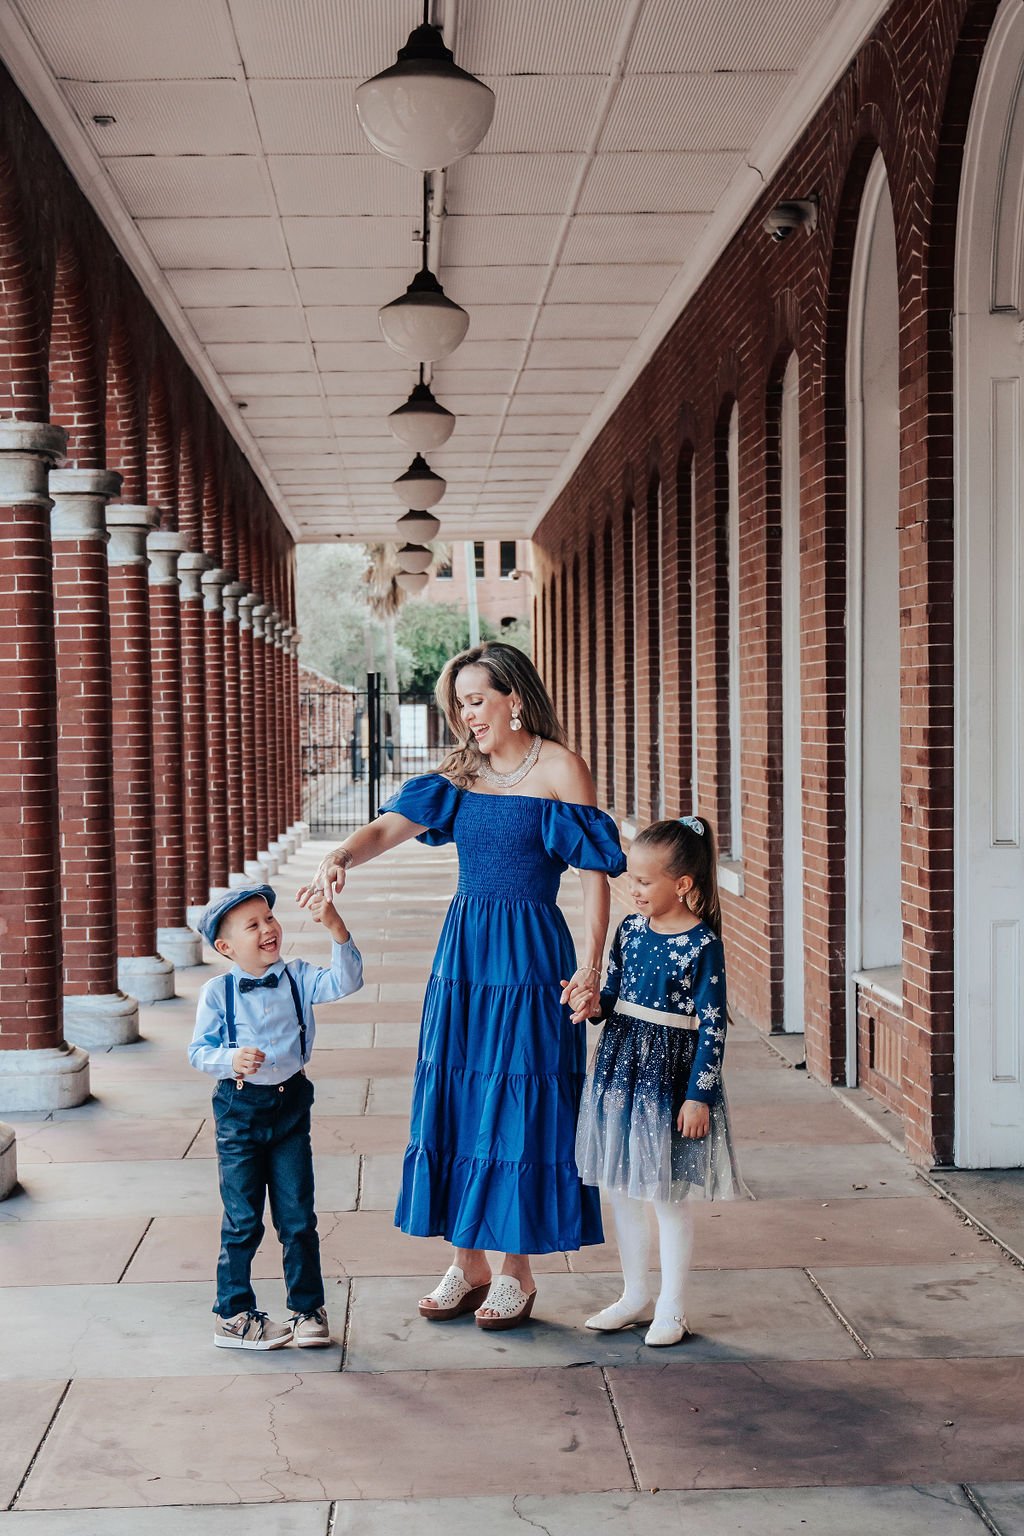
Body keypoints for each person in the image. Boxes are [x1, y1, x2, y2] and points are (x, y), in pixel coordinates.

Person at [301, 641, 625, 1330]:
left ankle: (517, 1270)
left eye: (476, 701)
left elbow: (596, 882)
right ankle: (467, 1259)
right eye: (459, 705)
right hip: (465, 958)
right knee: (460, 1094)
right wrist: (341, 856)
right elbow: (391, 825)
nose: (466, 716)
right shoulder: (459, 773)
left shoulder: (563, 768)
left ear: (513, 696)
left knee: (525, 1099)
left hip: (534, 955)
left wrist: (592, 969)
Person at [571, 816, 743, 1347]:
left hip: (669, 1078)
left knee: (665, 1193)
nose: (633, 888)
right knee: (623, 1189)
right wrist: (591, 1003)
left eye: (644, 881)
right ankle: (633, 1294)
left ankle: (672, 1306)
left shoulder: (702, 944)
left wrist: (699, 1095)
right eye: (632, 879)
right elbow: (614, 998)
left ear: (682, 885)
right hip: (621, 1066)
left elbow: (713, 1025)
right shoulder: (628, 930)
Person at [188, 884, 363, 1350]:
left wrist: (337, 930)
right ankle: (233, 1314)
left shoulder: (298, 977)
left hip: (289, 1108)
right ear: (226, 947)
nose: (268, 929)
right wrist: (230, 1060)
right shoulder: (217, 992)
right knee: (244, 1219)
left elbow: (346, 982)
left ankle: (307, 1308)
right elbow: (198, 1051)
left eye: (269, 918)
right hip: (238, 1109)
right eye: (253, 925)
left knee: (297, 1215)